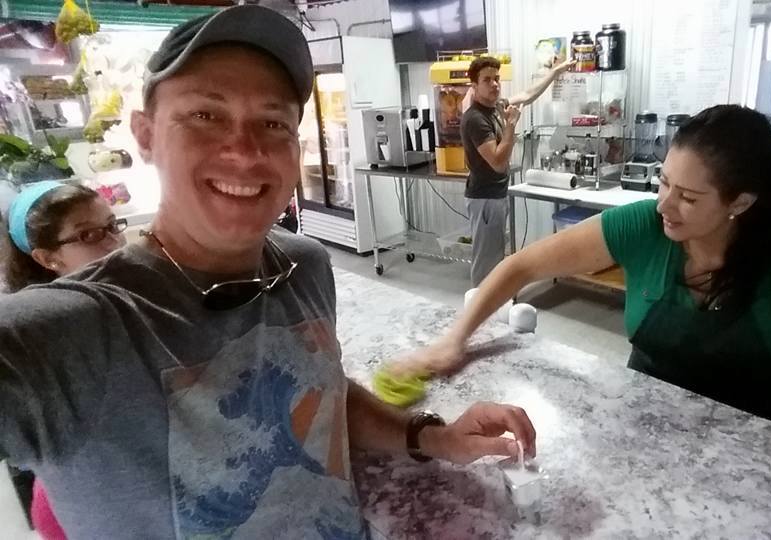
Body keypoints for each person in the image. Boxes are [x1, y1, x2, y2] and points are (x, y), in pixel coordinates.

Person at [0, 6, 535, 539]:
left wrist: (432, 436)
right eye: (205, 115)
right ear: (145, 134)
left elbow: (320, 389)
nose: (245, 150)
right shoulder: (68, 332)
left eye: (273, 122)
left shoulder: (304, 266)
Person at [394, 105, 771, 431]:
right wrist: (452, 341)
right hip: (649, 422)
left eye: (688, 198)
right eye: (664, 183)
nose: (665, 205)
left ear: (741, 203)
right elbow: (519, 267)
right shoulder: (645, 225)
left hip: (761, 437)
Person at [1, 180, 127, 540]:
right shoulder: (38, 336)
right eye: (89, 235)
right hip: (84, 509)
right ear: (47, 258)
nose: (114, 242)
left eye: (112, 225)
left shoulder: (129, 298)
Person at [462, 55, 573, 286]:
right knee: (486, 263)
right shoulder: (475, 119)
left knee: (494, 257)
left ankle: (493, 304)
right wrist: (511, 125)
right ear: (474, 86)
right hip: (485, 199)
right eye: (487, 80)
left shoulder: (495, 107)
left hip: (495, 195)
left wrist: (555, 72)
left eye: (496, 78)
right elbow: (498, 162)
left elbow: (528, 94)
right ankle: (481, 305)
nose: (494, 84)